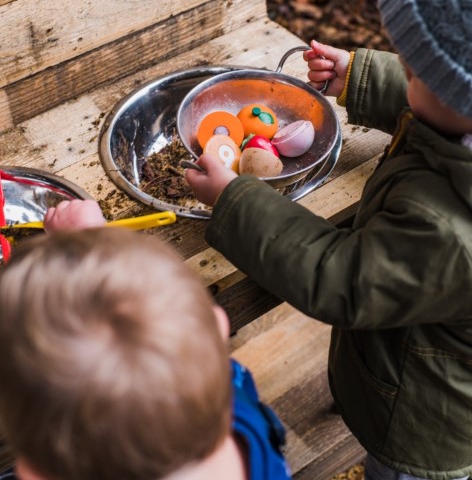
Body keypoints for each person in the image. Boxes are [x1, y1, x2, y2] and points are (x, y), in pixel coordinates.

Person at [185, 0, 472, 480]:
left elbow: (338, 275)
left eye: (414, 71)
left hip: (423, 429)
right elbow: (439, 99)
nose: (407, 74)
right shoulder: (463, 127)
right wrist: (363, 77)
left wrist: (235, 198)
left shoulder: (451, 236)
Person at [0, 199, 291, 480]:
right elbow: (128, 316)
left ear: (35, 474)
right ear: (217, 328)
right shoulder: (212, 382)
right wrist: (94, 239)